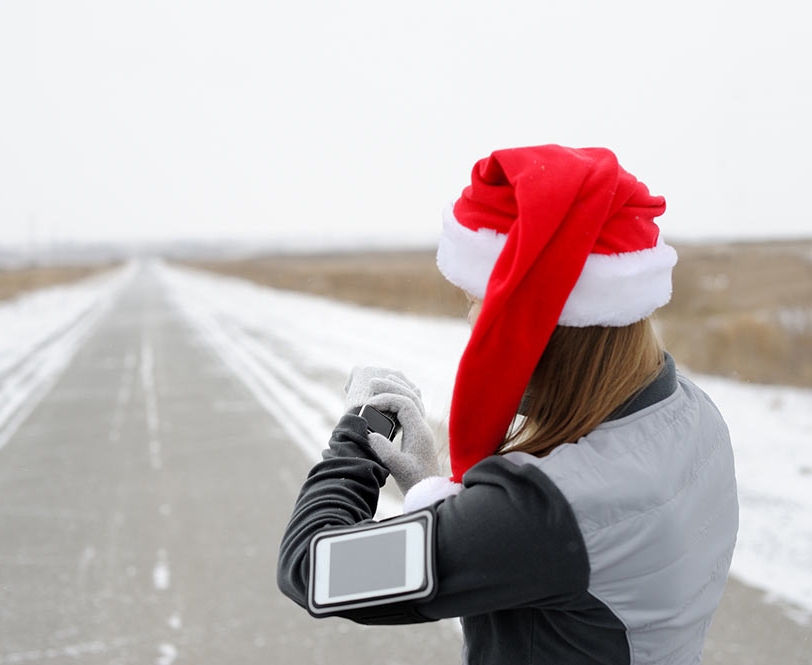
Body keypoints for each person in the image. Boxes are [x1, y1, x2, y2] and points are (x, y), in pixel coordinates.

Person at [277, 144, 739, 664]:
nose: (471, 322)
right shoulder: (690, 411)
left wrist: (356, 440)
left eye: (483, 301)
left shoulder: (545, 511)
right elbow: (570, 571)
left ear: (538, 331)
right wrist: (436, 488)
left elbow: (315, 568)